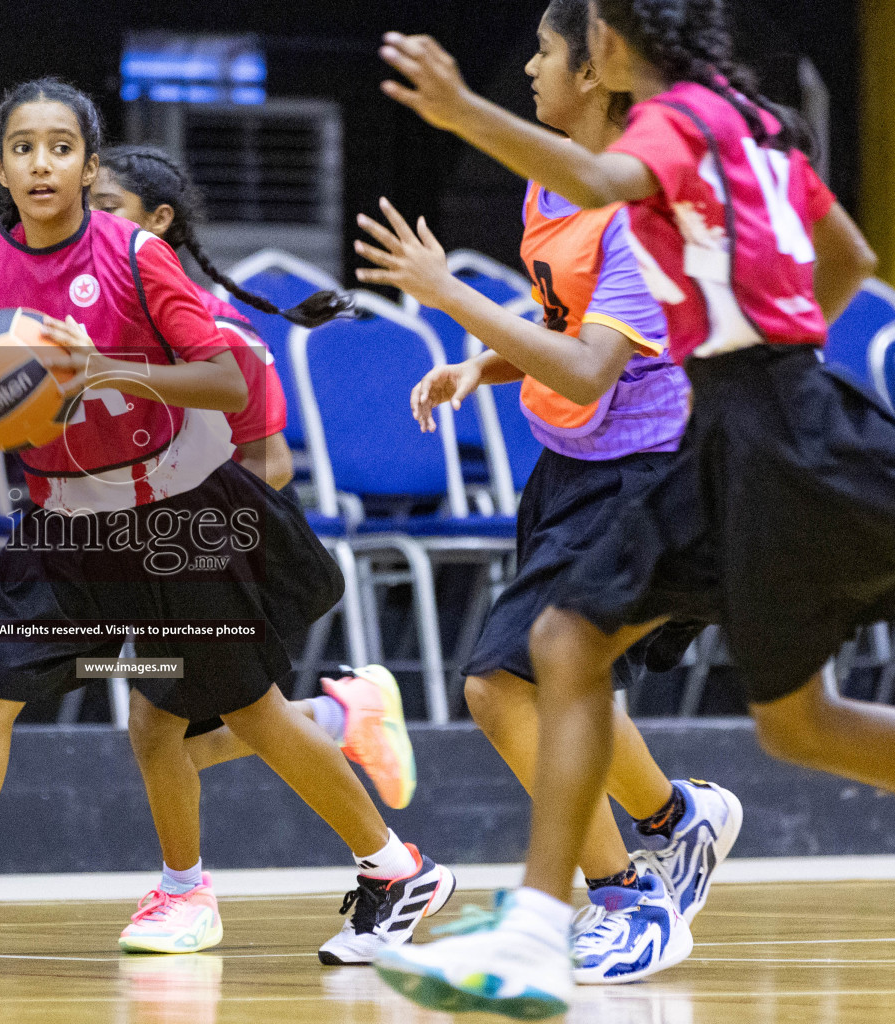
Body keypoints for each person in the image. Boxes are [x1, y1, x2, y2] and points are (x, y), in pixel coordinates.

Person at [0, 78, 452, 976]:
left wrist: (103, 372)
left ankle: (396, 866)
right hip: (56, 524)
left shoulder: (135, 256)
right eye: (23, 148)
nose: (42, 163)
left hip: (174, 515)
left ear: (87, 162)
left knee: (251, 711)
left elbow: (228, 386)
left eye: (61, 147)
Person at [368, 0, 887, 1017]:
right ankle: (545, 924)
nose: (532, 61)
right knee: (779, 719)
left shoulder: (677, 119)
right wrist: (764, 340)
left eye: (563, 39)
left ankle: (581, 910)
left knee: (560, 656)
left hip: (777, 437)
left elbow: (601, 181)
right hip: (749, 420)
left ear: (607, 45)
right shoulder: (752, 115)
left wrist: (461, 109)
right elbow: (852, 261)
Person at [353, 0, 740, 985]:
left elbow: (586, 367)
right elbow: (555, 311)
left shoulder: (640, 214)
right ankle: (674, 820)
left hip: (650, 476)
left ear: (600, 66)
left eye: (542, 49)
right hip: (571, 470)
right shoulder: (551, 185)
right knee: (561, 676)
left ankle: (628, 897)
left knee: (502, 681)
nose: (528, 66)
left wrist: (446, 296)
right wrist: (478, 365)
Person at [91, 144, 426, 963]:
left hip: (228, 549)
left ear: (157, 222)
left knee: (191, 716)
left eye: (108, 205)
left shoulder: (214, 331)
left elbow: (270, 466)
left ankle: (377, 866)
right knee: (159, 721)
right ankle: (336, 722)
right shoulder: (103, 324)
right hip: (153, 548)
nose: (87, 222)